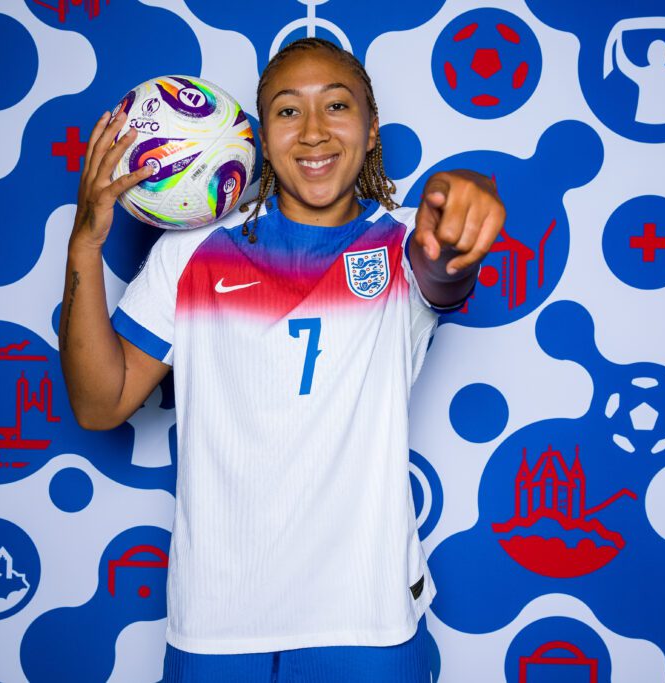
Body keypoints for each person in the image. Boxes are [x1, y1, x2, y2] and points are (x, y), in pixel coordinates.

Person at [59, 37, 504, 683]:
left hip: (367, 622)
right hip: (214, 625)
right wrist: (85, 244)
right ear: (262, 138)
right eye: (288, 111)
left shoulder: (407, 243)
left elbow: (445, 259)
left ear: (372, 128)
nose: (314, 131)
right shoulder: (191, 254)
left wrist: (467, 187)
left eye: (338, 106)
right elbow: (101, 402)